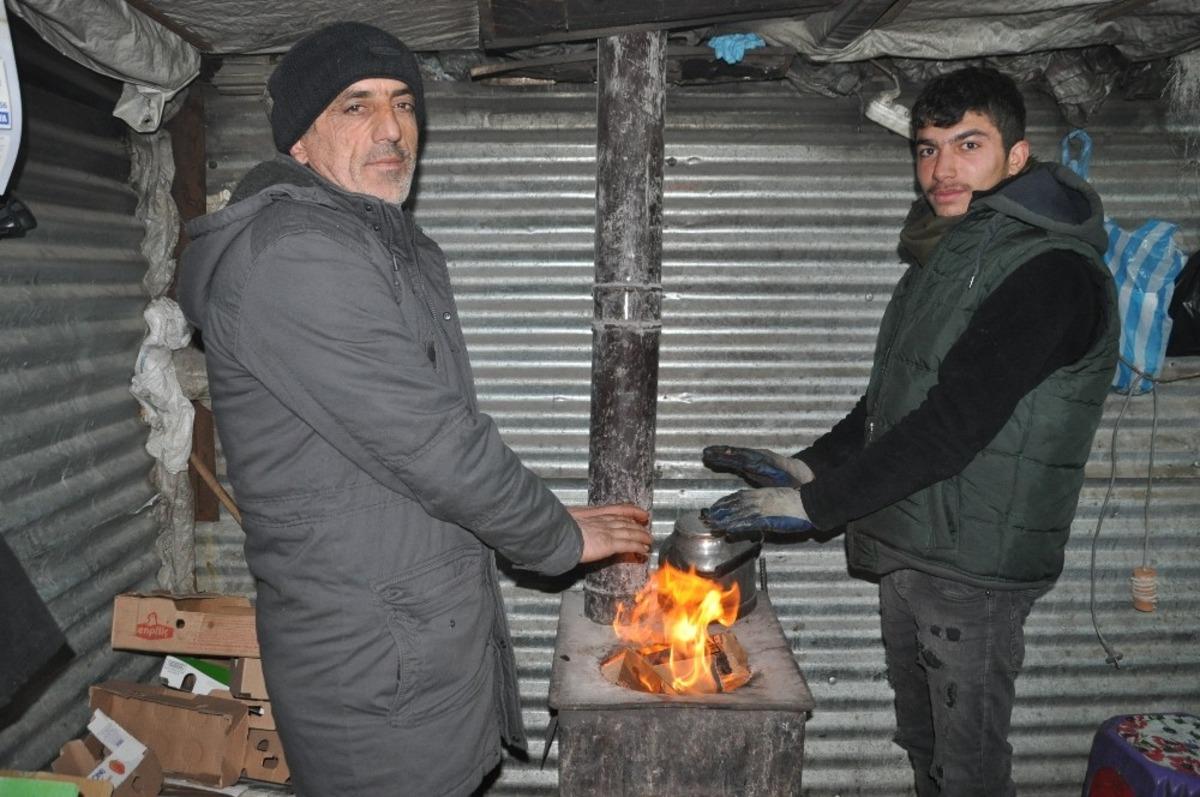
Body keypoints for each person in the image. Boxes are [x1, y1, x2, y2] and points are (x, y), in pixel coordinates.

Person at [177, 22, 651, 797]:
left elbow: (402, 449)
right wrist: (553, 535)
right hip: (373, 665)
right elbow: (436, 446)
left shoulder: (382, 245)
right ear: (299, 140)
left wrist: (538, 521)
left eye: (403, 103)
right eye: (354, 107)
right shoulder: (299, 257)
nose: (392, 128)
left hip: (410, 639)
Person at [702, 66, 1119, 796]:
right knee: (924, 747)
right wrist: (807, 468)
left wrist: (818, 506)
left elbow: (953, 425)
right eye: (927, 149)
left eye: (968, 144)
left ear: (1017, 157)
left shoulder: (1050, 271)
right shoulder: (949, 259)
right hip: (917, 543)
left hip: (972, 567)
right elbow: (891, 405)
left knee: (967, 772)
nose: (942, 169)